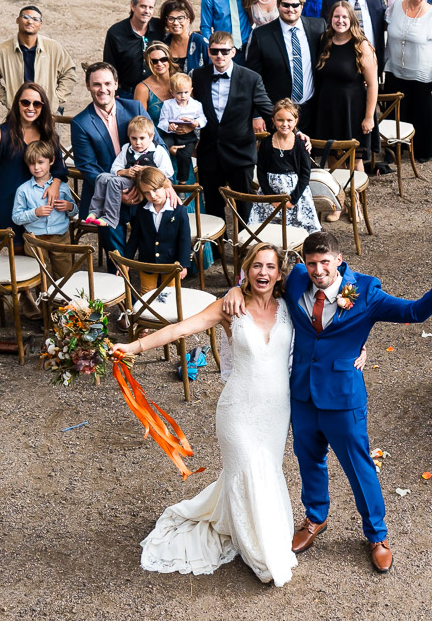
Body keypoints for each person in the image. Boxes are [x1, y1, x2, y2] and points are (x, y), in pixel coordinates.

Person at [220, 233, 432, 574]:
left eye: (325, 262)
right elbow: (261, 280)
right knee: (309, 460)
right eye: (311, 263)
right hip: (302, 395)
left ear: (339, 260)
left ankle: (377, 535)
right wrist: (236, 288)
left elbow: (413, 312)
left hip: (343, 397)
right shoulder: (295, 279)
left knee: (358, 467)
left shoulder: (366, 291)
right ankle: (315, 518)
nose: (318, 270)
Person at [123, 244, 329, 585]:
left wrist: (361, 346)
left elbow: (330, 317)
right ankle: (260, 553)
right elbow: (180, 329)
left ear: (280, 274)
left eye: (270, 267)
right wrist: (132, 347)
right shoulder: (229, 307)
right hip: (238, 410)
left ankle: (256, 531)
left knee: (268, 472)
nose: (263, 272)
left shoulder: (290, 306)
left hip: (277, 411)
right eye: (257, 266)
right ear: (246, 271)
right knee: (248, 472)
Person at [70, 63, 163, 254]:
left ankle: (149, 276)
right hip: (106, 193)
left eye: (107, 83)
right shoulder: (80, 123)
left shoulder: (134, 108)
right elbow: (88, 167)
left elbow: (159, 145)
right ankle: (118, 276)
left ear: (116, 84)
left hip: (143, 187)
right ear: (88, 86)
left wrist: (143, 185)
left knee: (153, 242)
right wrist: (117, 194)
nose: (102, 89)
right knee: (115, 250)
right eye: (96, 84)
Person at [192, 33, 274, 223]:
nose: (219, 55)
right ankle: (216, 250)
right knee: (212, 206)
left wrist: (295, 131)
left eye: (224, 51)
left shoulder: (251, 78)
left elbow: (269, 110)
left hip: (240, 153)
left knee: (244, 207)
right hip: (209, 153)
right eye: (215, 51)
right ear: (209, 52)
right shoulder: (197, 76)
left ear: (233, 52)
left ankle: (246, 250)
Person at [0, 81, 67, 243]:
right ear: (17, 104)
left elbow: (59, 168)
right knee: (18, 255)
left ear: (43, 107)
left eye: (37, 103)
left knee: (39, 254)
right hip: (8, 203)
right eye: (25, 102)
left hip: (39, 207)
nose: (31, 107)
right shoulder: (1, 135)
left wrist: (55, 185)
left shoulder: (48, 135)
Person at [308, 0, 379, 181]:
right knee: (332, 157)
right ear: (330, 18)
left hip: (353, 110)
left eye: (345, 17)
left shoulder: (361, 45)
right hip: (328, 109)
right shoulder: (324, 40)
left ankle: (356, 200)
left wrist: (369, 117)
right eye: (336, 16)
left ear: (352, 19)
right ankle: (337, 203)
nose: (340, 20)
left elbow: (372, 84)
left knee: (354, 159)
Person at [383, 0, 432, 163]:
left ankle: (422, 150)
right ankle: (395, 148)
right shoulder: (395, 7)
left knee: (423, 114)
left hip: (424, 75)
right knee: (398, 113)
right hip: (396, 72)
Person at [83, 115, 174, 229]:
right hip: (128, 181)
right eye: (134, 138)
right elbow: (114, 168)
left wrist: (146, 170)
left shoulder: (157, 151)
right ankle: (94, 211)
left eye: (142, 138)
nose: (137, 143)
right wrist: (125, 172)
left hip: (144, 184)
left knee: (114, 183)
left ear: (151, 137)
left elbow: (168, 171)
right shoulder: (127, 148)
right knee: (102, 177)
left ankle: (110, 218)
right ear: (129, 137)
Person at [246, 0, 326, 109]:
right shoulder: (261, 35)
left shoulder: (318, 27)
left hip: (312, 108)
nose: (290, 9)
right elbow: (253, 77)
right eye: (286, 5)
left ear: (302, 6)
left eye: (295, 5)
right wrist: (257, 114)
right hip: (277, 111)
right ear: (277, 5)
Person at [0, 5, 76, 109]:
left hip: (48, 112)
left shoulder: (54, 48)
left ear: (40, 24)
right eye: (26, 17)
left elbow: (69, 73)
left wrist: (56, 98)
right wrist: (7, 99)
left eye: (36, 19)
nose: (30, 22)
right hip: (18, 112)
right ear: (17, 20)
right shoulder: (1, 51)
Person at [250, 100, 320, 235]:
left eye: (289, 120)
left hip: (295, 195)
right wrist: (271, 198)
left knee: (298, 231)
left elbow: (305, 174)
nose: (285, 124)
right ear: (273, 121)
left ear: (296, 121)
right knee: (267, 230)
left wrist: (293, 200)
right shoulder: (266, 143)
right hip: (270, 195)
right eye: (280, 120)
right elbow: (261, 172)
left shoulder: (301, 144)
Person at [11, 139, 76, 282]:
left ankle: (63, 302)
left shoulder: (62, 186)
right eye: (32, 163)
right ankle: (45, 303)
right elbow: (16, 217)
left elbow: (74, 210)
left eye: (41, 162)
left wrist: (69, 207)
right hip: (35, 240)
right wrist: (35, 213)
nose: (36, 167)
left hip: (60, 237)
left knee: (64, 275)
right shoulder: (23, 190)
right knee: (41, 276)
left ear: (51, 161)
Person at [122, 167, 192, 275]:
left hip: (170, 264)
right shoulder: (142, 210)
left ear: (165, 186)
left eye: (155, 190)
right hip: (147, 264)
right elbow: (134, 238)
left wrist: (183, 264)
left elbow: (184, 239)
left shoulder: (179, 210)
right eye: (146, 193)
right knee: (148, 291)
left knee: (171, 291)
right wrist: (126, 261)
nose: (152, 196)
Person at [321, 0, 386, 74]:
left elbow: (384, 22)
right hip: (346, 64)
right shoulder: (332, 1)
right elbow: (327, 33)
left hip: (373, 60)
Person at [103, 0, 164, 92]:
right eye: (143, 6)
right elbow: (109, 66)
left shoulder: (160, 28)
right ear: (133, 6)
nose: (147, 11)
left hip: (156, 91)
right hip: (127, 92)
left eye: (150, 8)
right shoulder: (116, 33)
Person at [158, 72, 206, 185]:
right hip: (171, 134)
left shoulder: (196, 105)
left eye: (186, 92)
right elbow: (162, 121)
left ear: (191, 90)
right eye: (179, 93)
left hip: (188, 136)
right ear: (172, 92)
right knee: (161, 148)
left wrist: (196, 122)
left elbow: (203, 119)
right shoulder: (167, 104)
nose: (183, 96)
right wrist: (169, 126)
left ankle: (182, 181)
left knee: (185, 156)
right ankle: (163, 177)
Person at [160, 0, 210, 76]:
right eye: (171, 18)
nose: (176, 23)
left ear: (188, 19)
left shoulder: (201, 42)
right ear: (166, 21)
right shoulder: (163, 44)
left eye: (180, 18)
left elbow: (212, 70)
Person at [133, 41, 175, 123]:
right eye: (154, 61)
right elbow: (140, 123)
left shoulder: (181, 81)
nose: (159, 64)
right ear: (148, 63)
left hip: (182, 134)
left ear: (169, 59)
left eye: (163, 59)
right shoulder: (142, 89)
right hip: (154, 134)